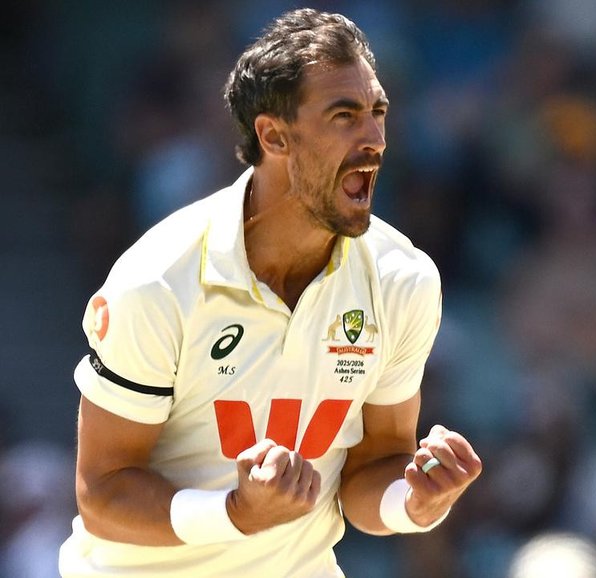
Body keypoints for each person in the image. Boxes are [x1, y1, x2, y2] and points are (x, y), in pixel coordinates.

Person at [58, 8, 482, 578]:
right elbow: (102, 492)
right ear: (274, 135)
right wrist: (234, 514)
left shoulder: (404, 280)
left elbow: (373, 468)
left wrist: (413, 501)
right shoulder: (157, 281)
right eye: (344, 116)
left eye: (377, 113)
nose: (376, 139)